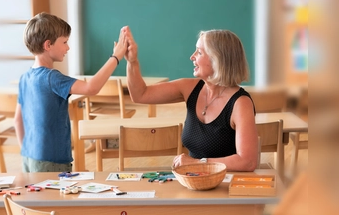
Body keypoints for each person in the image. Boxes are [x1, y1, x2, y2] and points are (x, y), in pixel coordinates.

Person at [125, 27, 258, 171]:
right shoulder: (189, 88)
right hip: (195, 180)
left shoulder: (240, 103)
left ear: (217, 59)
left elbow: (248, 162)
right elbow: (140, 94)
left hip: (226, 184)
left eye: (199, 52)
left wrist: (198, 163)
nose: (192, 56)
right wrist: (132, 62)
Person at [14, 12, 127, 172]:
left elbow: (18, 121)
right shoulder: (52, 78)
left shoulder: (25, 78)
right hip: (51, 161)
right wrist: (116, 57)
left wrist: (27, 153)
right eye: (65, 42)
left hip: (29, 158)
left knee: (38, 197)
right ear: (48, 45)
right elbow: (91, 88)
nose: (68, 47)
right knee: (55, 197)